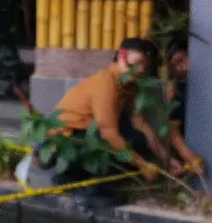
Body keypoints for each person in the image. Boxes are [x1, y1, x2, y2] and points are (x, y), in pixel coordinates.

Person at [31, 38, 164, 194]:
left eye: (145, 66)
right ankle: (70, 177)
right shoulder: (106, 83)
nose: (140, 70)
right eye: (137, 63)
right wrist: (142, 165)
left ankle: (98, 180)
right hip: (66, 141)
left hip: (90, 133)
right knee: (107, 141)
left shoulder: (129, 85)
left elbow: (139, 122)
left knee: (138, 139)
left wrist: (163, 157)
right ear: (122, 56)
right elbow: (109, 134)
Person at [161, 42, 206, 176]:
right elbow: (172, 130)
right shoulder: (178, 93)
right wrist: (191, 158)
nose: (181, 68)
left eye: (182, 60)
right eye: (174, 66)